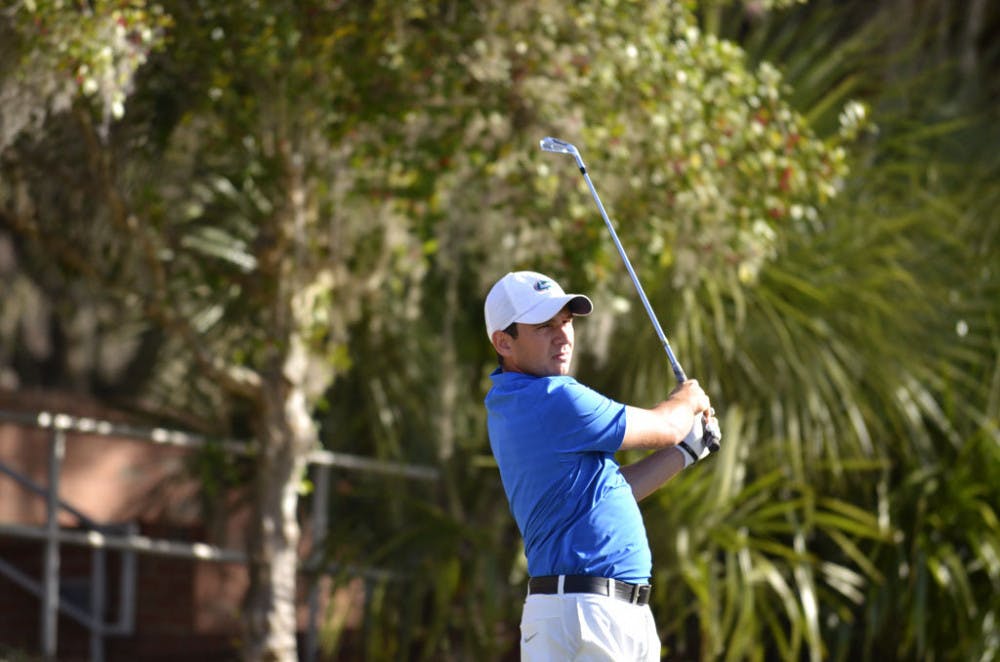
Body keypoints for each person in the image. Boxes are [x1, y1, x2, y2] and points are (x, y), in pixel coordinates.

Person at [483, 270, 720, 661]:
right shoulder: (555, 399)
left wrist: (685, 452)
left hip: (581, 612)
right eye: (544, 326)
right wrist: (687, 398)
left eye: (565, 322)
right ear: (503, 341)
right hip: (592, 614)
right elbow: (666, 426)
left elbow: (608, 493)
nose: (562, 336)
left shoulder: (512, 402)